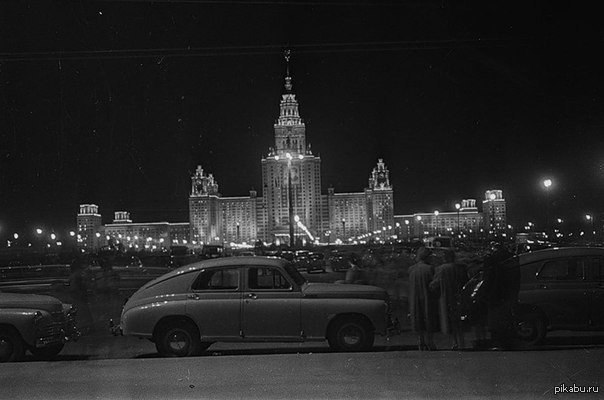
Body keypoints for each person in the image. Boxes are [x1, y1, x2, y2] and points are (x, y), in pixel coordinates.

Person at [430, 249, 468, 350]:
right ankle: (461, 342)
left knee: (450, 321)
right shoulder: (460, 268)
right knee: (458, 321)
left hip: (447, 296)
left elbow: (435, 284)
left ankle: (455, 342)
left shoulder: (441, 269)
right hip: (459, 296)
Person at [408, 247, 439, 350]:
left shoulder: (412, 269)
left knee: (418, 319)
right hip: (427, 297)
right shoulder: (430, 269)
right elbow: (433, 285)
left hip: (414, 297)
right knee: (429, 319)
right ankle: (430, 342)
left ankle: (420, 341)